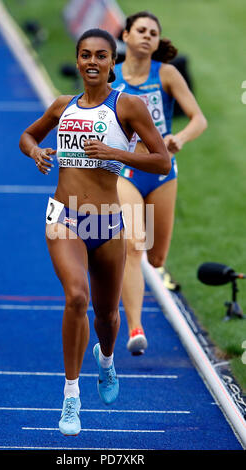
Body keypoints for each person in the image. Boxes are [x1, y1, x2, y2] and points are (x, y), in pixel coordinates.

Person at [19, 28, 170, 436]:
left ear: (111, 62)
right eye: (84, 55)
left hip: (106, 221)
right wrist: (37, 151)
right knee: (76, 296)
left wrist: (117, 154)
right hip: (64, 216)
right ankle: (71, 395)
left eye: (100, 56)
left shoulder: (129, 106)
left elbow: (160, 160)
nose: (91, 62)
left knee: (106, 316)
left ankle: (105, 361)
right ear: (78, 57)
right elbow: (28, 135)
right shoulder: (62, 106)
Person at [112, 11, 207, 356]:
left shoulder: (166, 73)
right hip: (127, 172)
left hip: (163, 172)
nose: (148, 36)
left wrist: (179, 137)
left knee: (156, 257)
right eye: (141, 30)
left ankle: (142, 287)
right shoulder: (112, 78)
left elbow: (199, 119)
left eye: (153, 32)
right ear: (125, 35)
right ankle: (135, 329)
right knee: (133, 247)